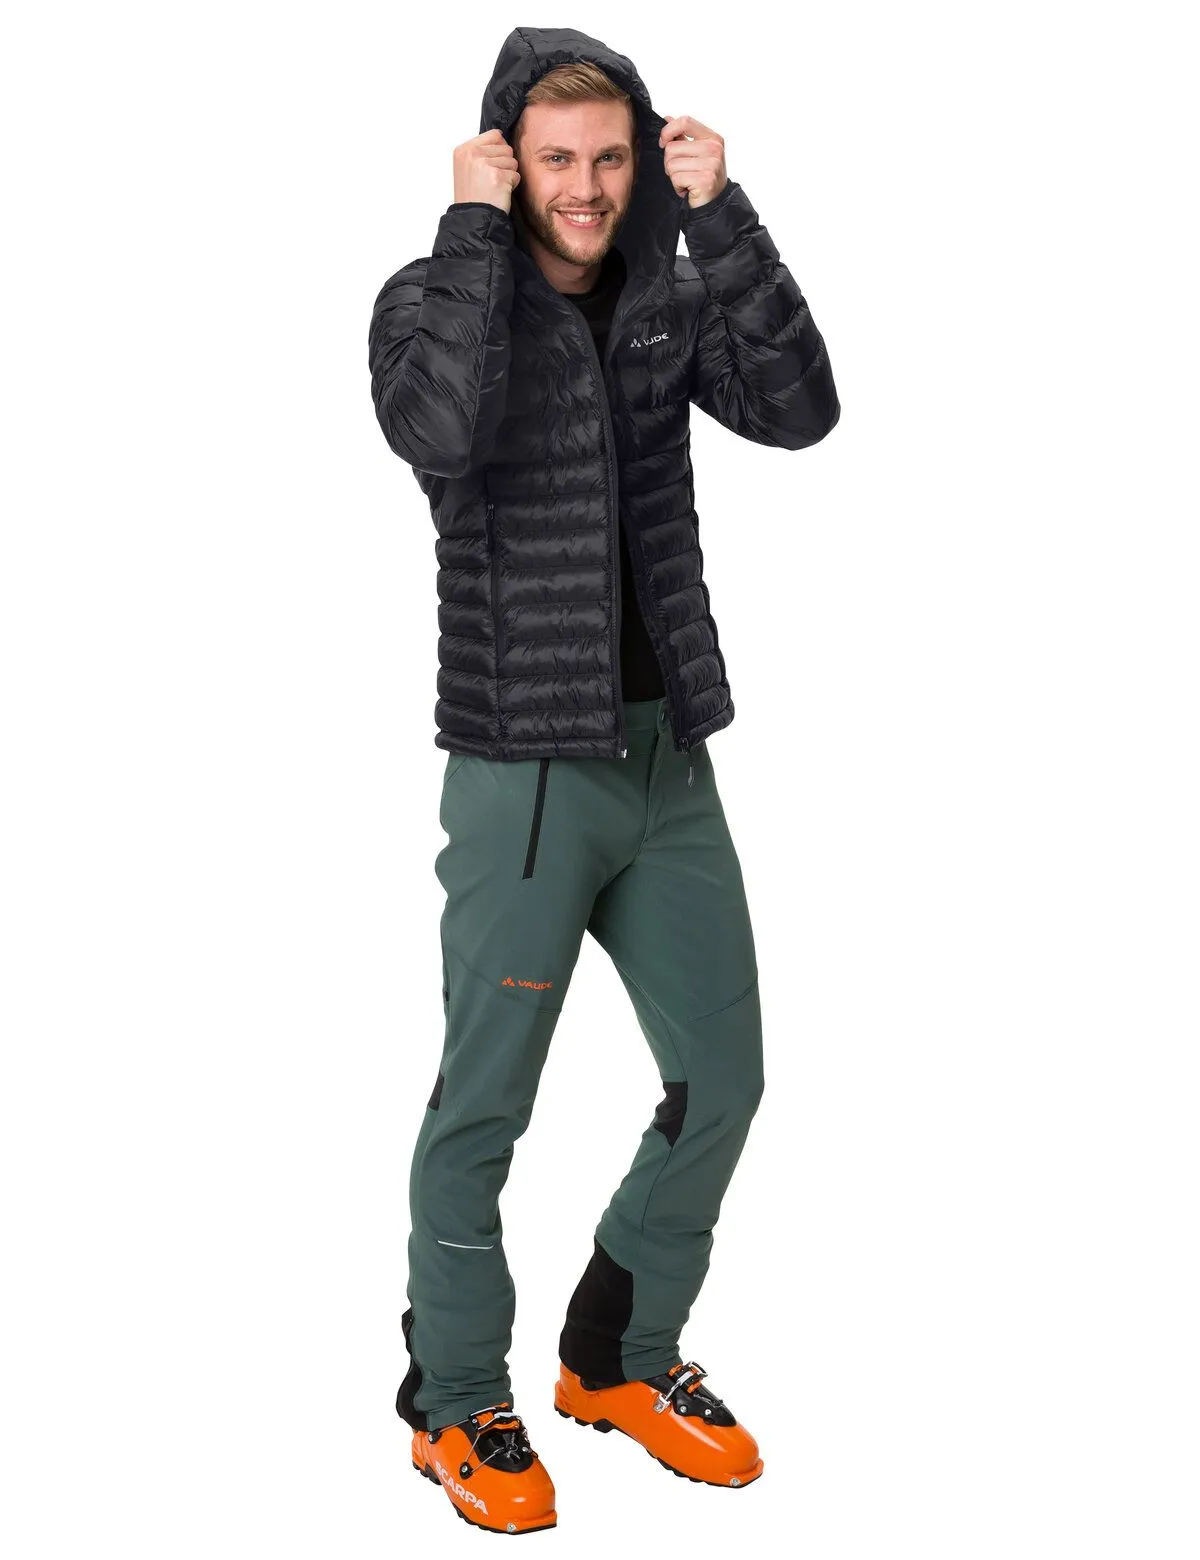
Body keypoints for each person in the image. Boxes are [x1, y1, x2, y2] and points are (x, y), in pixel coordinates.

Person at [367, 24, 839, 1536]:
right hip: (525, 774)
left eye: (611, 159)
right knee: (482, 1112)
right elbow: (438, 432)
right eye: (556, 160)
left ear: (641, 162)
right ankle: (455, 1400)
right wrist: (469, 229)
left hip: (666, 758)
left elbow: (802, 409)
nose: (586, 187)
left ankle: (617, 1357)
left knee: (726, 1080)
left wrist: (723, 216)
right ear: (509, 162)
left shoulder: (664, 299)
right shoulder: (434, 297)